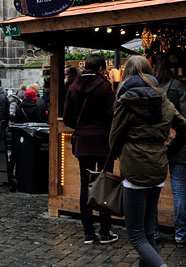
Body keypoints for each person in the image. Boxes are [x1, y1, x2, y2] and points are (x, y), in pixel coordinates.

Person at [110, 56, 186, 267]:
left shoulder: (126, 101)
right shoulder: (164, 100)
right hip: (157, 169)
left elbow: (114, 138)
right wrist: (165, 148)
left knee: (136, 236)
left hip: (135, 170)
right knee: (147, 233)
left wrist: (123, 151)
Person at [63, 53, 118, 245]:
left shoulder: (73, 87)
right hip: (103, 141)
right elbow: (112, 117)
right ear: (102, 68)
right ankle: (105, 231)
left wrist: (82, 127)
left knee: (85, 185)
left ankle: (88, 232)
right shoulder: (104, 88)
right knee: (104, 185)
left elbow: (68, 117)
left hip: (84, 141)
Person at [154, 59, 186, 247]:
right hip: (176, 144)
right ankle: (180, 235)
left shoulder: (151, 87)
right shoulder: (177, 86)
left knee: (153, 190)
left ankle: (153, 232)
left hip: (155, 146)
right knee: (178, 190)